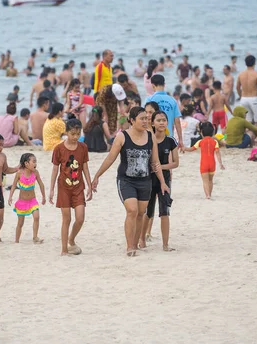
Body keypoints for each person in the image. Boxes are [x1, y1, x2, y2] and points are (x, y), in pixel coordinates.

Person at [92, 107, 169, 257]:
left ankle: (135, 244)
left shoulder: (150, 136)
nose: (145, 121)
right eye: (142, 118)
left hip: (145, 181)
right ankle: (129, 247)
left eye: (146, 118)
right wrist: (97, 176)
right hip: (126, 180)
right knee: (132, 210)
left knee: (140, 213)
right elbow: (110, 158)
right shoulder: (122, 137)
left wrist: (162, 181)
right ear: (132, 121)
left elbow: (155, 162)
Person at [50, 119, 92, 255]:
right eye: (72, 134)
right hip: (64, 187)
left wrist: (90, 186)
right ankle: (64, 250)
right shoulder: (59, 149)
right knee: (66, 218)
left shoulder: (83, 147)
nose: (75, 137)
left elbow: (85, 167)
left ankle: (71, 239)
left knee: (80, 218)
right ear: (66, 132)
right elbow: (55, 170)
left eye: (78, 134)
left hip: (78, 187)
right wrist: (51, 190)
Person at [141, 111, 178, 251]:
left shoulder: (171, 141)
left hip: (165, 180)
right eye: (159, 120)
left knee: (164, 212)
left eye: (164, 120)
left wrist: (160, 167)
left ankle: (165, 245)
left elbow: (175, 163)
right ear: (153, 123)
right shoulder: (148, 140)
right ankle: (142, 239)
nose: (162, 123)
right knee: (148, 212)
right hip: (150, 180)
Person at [8, 153, 46, 244]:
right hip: (22, 202)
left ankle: (35, 237)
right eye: (33, 161)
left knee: (36, 217)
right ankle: (16, 240)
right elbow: (13, 186)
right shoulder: (19, 173)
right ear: (26, 163)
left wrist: (44, 196)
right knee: (20, 223)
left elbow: (41, 184)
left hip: (32, 201)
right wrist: (10, 197)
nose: (35, 164)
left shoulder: (35, 173)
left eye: (36, 161)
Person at [184, 122, 224, 199]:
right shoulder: (215, 142)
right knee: (210, 180)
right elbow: (218, 153)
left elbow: (191, 149)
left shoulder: (200, 142)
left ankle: (207, 195)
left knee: (205, 181)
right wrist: (220, 163)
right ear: (213, 132)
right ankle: (210, 194)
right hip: (212, 164)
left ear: (201, 132)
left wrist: (184, 148)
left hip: (204, 164)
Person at [145, 75, 184, 148]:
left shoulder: (149, 99)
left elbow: (145, 118)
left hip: (153, 135)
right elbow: (177, 121)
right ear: (164, 85)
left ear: (153, 85)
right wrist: (180, 139)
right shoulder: (173, 100)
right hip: (168, 136)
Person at [236, 55, 257, 138]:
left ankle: (249, 137)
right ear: (254, 62)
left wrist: (241, 96)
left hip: (244, 99)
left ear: (245, 63)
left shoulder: (241, 74)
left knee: (248, 121)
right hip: (254, 98)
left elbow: (237, 87)